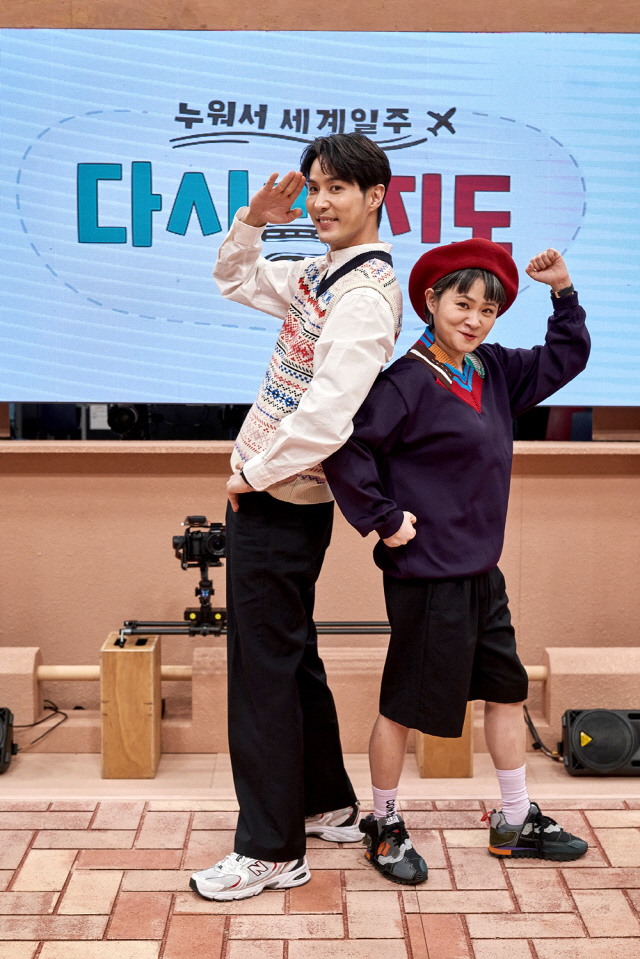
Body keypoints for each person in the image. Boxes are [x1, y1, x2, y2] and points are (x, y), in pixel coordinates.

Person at [323, 239, 591, 885]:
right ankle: (384, 823)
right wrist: (385, 518)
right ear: (432, 300)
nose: (474, 319)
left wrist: (563, 292)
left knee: (506, 693)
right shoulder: (406, 381)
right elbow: (345, 447)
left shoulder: (492, 369)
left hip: (481, 574)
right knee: (403, 707)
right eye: (462, 304)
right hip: (426, 576)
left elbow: (566, 356)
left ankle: (514, 819)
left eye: (487, 310)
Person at [189, 133, 403, 902]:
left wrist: (250, 474)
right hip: (275, 492)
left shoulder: (364, 295)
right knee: (289, 653)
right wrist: (252, 220)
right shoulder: (322, 271)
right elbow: (235, 279)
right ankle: (325, 803)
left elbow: (327, 419)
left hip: (278, 494)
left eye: (336, 188)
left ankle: (272, 849)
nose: (318, 202)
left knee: (261, 674)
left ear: (376, 196)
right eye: (314, 187)